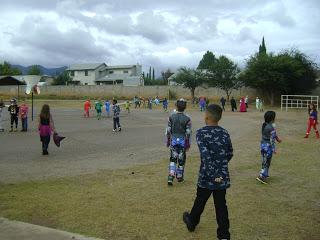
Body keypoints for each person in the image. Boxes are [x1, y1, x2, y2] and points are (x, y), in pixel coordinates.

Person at [183, 104, 233, 240]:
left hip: (206, 176)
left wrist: (213, 172)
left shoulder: (201, 133)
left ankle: (192, 222)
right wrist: (221, 167)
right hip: (222, 176)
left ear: (206, 116)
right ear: (219, 118)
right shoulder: (224, 133)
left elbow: (206, 156)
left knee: (201, 199)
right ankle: (224, 235)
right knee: (221, 204)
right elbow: (230, 153)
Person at [166, 99, 191, 185]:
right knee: (181, 159)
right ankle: (179, 176)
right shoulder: (187, 118)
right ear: (185, 107)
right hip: (182, 141)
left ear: (176, 106)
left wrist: (168, 140)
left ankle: (170, 176)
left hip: (173, 140)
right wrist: (187, 144)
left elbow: (168, 130)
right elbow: (188, 132)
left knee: (173, 158)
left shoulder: (171, 117)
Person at [256, 111, 282, 184]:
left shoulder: (265, 125)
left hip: (263, 145)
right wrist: (273, 149)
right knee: (267, 162)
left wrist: (278, 139)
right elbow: (272, 139)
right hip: (268, 147)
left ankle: (264, 174)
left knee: (265, 161)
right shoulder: (271, 127)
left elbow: (273, 135)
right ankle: (261, 177)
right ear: (272, 118)